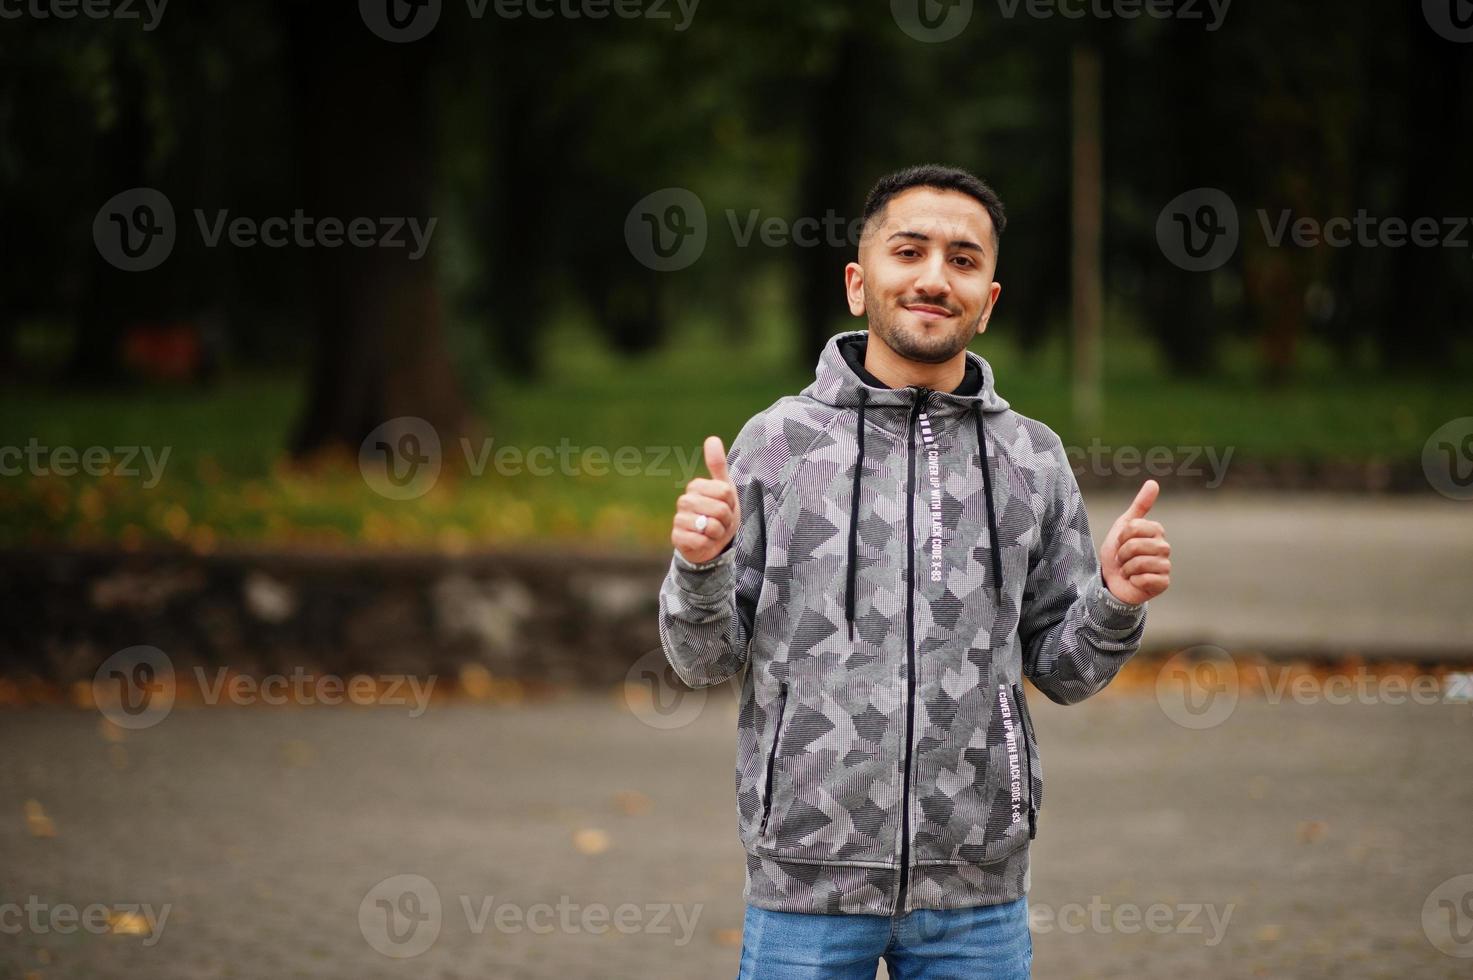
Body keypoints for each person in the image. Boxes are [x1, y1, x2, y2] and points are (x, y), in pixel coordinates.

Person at [658, 163, 1172, 978]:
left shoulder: (1030, 458)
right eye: (910, 252)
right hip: (804, 880)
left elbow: (1063, 673)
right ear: (860, 284)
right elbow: (701, 661)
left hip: (978, 894)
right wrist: (699, 566)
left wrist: (1112, 600)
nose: (935, 277)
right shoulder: (777, 445)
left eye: (963, 261)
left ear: (988, 300)